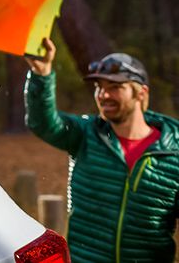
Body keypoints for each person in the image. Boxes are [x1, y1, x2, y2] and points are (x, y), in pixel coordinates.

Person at [24, 38, 179, 263]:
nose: (103, 95)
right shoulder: (86, 134)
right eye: (99, 87)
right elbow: (43, 122)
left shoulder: (174, 152)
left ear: (141, 93)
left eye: (115, 87)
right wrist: (42, 75)